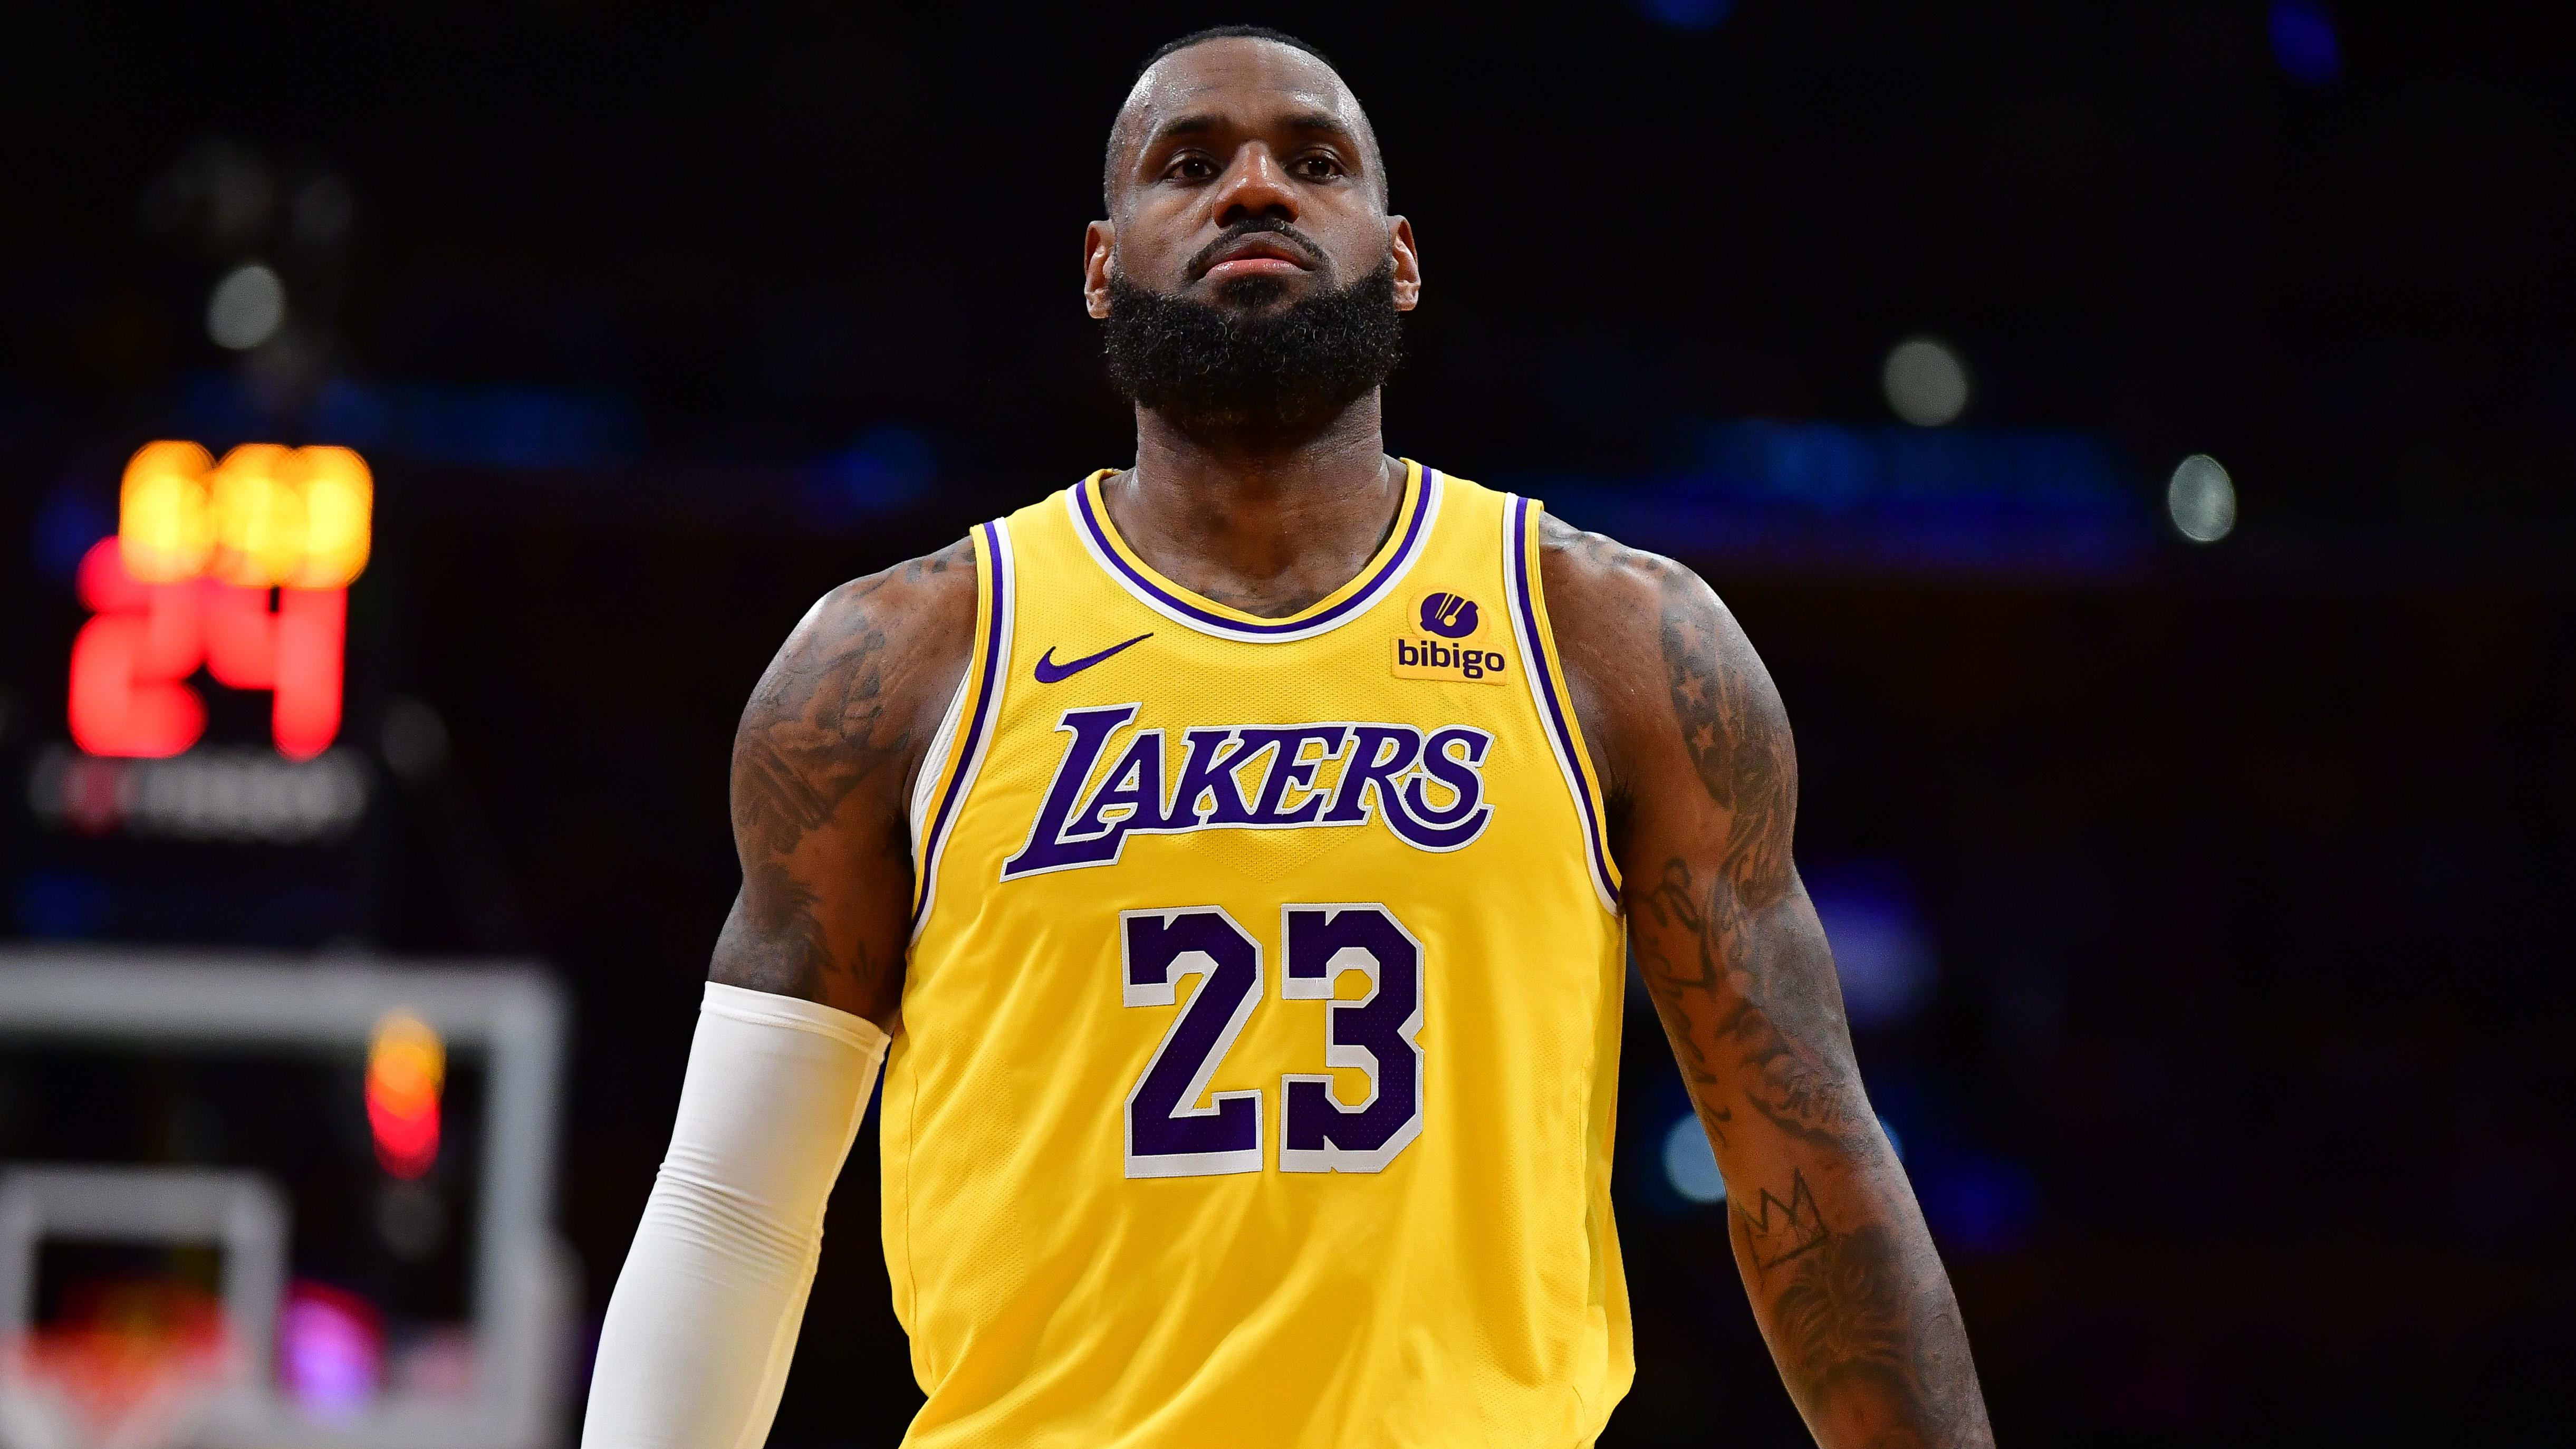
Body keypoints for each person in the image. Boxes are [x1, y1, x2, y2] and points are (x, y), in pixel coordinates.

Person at [581, 24, 1993, 1449]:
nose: (1253, 188)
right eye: (1188, 163)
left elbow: (1809, 1184)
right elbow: (734, 1206)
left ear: (1398, 258)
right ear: (1097, 264)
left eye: (1312, 162)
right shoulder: (898, 664)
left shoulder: (1611, 639)